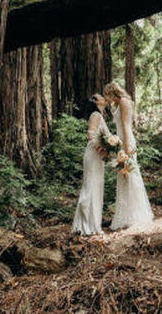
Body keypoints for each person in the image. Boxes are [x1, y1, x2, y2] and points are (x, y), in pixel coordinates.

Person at [103, 81, 154, 230]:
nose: (108, 99)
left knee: (131, 175)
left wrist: (125, 148)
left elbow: (125, 125)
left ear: (113, 92)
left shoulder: (124, 102)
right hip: (120, 141)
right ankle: (126, 215)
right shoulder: (118, 104)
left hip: (126, 141)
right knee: (123, 177)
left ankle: (138, 215)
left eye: (108, 95)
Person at [72, 94, 109, 235]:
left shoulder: (100, 115)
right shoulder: (95, 115)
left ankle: (94, 224)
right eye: (101, 97)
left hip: (98, 156)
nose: (105, 99)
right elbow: (91, 134)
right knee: (91, 185)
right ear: (96, 102)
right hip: (93, 154)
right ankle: (86, 224)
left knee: (97, 185)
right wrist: (101, 148)